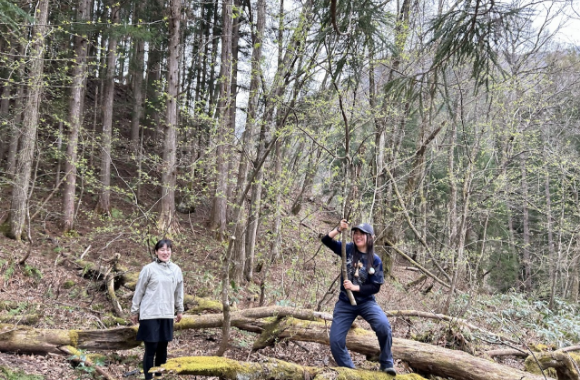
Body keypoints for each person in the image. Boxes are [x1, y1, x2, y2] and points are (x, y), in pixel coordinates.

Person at [321, 219, 396, 376]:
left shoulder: (375, 260)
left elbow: (375, 287)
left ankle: (387, 362)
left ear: (370, 237)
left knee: (383, 326)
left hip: (366, 302)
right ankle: (352, 373)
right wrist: (339, 229)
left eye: (362, 233)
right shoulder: (347, 249)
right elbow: (326, 240)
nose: (358, 236)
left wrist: (356, 288)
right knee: (335, 341)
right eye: (355, 233)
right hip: (345, 303)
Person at [130, 239, 184, 380]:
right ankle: (148, 378)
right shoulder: (148, 269)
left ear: (171, 251)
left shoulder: (176, 270)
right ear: (156, 252)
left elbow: (179, 292)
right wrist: (135, 311)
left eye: (168, 250)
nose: (165, 252)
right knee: (151, 348)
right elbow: (139, 290)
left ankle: (159, 376)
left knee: (163, 348)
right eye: (162, 250)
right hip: (150, 314)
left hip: (166, 313)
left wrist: (180, 309)